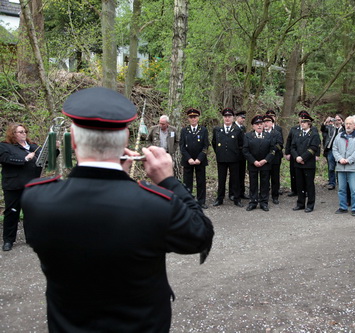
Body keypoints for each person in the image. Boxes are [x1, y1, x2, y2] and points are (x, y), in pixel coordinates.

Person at [21, 87, 214, 332]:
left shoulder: (38, 199)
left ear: (72, 138)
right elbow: (201, 236)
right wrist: (168, 181)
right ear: (124, 139)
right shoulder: (156, 205)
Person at [0, 124, 42, 251]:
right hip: (14, 185)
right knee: (12, 212)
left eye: (25, 131)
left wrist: (54, 150)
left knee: (30, 212)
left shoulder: (34, 146)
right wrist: (24, 158)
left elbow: (45, 160)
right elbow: (5, 158)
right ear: (13, 134)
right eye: (20, 132)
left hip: (31, 184)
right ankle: (8, 240)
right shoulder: (5, 146)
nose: (24, 133)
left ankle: (31, 238)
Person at [212, 108, 244, 207]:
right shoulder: (217, 130)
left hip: (234, 159)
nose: (227, 118)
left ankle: (236, 199)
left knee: (235, 180)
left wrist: (236, 155)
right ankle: (220, 199)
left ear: (233, 118)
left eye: (229, 117)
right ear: (223, 118)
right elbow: (214, 143)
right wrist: (219, 153)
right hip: (221, 159)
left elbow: (241, 144)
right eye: (225, 117)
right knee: (221, 179)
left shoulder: (238, 130)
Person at [243, 115, 276, 211]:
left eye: (261, 124)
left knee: (264, 183)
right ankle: (253, 202)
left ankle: (264, 202)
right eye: (257, 124)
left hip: (265, 163)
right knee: (253, 183)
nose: (259, 126)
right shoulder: (248, 136)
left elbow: (272, 150)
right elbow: (245, 151)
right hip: (253, 163)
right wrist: (254, 161)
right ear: (253, 126)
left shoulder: (269, 136)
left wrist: (265, 160)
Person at [333, 116, 355, 216]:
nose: (348, 125)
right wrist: (340, 159)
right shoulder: (339, 136)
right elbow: (334, 149)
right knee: (341, 189)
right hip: (340, 167)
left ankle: (354, 208)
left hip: (353, 167)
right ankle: (343, 207)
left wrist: (349, 160)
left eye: (350, 124)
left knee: (354, 190)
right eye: (346, 123)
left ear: (354, 125)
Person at [179, 108, 209, 209]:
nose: (193, 119)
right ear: (188, 119)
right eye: (191, 117)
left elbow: (206, 146)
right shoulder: (184, 131)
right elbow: (182, 147)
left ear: (198, 118)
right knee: (187, 182)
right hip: (188, 161)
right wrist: (189, 159)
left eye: (195, 117)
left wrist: (199, 158)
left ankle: (201, 201)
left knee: (201, 182)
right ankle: (188, 201)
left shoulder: (203, 130)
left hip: (200, 160)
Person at [291, 114, 320, 213]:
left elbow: (313, 148)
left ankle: (310, 204)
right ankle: (300, 203)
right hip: (298, 163)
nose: (302, 124)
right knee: (299, 184)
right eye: (301, 122)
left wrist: (303, 158)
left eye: (304, 122)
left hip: (308, 163)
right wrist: (296, 157)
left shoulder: (314, 134)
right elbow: (293, 147)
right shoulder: (297, 133)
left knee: (309, 185)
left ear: (309, 123)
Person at [285, 111, 309, 197]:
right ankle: (294, 190)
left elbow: (315, 144)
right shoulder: (294, 129)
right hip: (294, 154)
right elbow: (289, 141)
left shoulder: (312, 130)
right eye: (300, 118)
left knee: (305, 174)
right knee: (293, 172)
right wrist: (287, 153)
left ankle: (305, 190)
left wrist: (316, 155)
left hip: (306, 156)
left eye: (304, 119)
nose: (302, 121)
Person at [263, 114, 283, 204]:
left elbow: (280, 145)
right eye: (264, 122)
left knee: (275, 178)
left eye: (268, 122)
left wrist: (271, 150)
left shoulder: (277, 133)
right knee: (264, 178)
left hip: (275, 159)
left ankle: (275, 196)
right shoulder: (261, 133)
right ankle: (264, 195)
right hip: (264, 159)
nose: (266, 124)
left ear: (272, 123)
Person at [321, 114, 344, 190]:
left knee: (340, 167)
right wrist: (326, 121)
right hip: (331, 149)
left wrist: (342, 123)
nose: (337, 121)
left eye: (338, 119)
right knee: (331, 168)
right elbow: (323, 129)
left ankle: (341, 183)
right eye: (335, 119)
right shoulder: (331, 128)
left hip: (340, 151)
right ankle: (332, 183)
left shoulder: (343, 129)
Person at [230, 110, 249, 200]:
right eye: (242, 118)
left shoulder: (243, 128)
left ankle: (241, 192)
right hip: (234, 154)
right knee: (234, 174)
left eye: (244, 118)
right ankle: (232, 192)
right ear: (237, 117)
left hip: (242, 154)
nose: (243, 119)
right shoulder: (232, 127)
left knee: (241, 173)